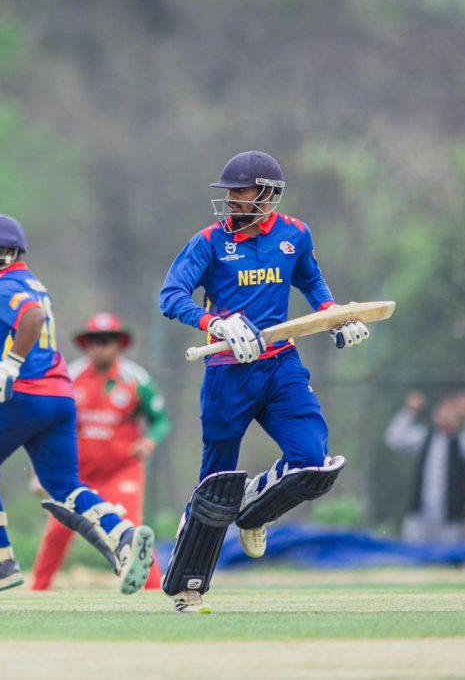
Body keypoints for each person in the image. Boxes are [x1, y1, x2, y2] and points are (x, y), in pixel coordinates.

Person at [158, 151, 368, 613]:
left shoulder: (295, 235)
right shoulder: (209, 242)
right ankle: (189, 586)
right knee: (216, 484)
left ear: (268, 194)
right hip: (226, 373)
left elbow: (312, 283)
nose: (231, 199)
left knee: (313, 462)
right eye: (229, 191)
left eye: (241, 191)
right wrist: (214, 322)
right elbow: (170, 296)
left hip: (280, 366)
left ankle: (254, 511)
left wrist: (335, 315)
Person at [0, 213, 155, 596]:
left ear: (7, 250)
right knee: (64, 485)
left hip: (24, 396)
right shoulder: (33, 282)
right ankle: (123, 535)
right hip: (59, 397)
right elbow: (33, 342)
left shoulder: (2, 284)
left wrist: (9, 367)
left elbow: (31, 319)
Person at [30, 312, 171, 591]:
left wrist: (148, 442)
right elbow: (50, 426)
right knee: (57, 531)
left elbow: (161, 420)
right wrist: (43, 472)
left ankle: (155, 590)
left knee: (131, 529)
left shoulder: (135, 379)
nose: (100, 347)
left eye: (106, 341)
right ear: (86, 345)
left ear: (118, 344)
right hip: (78, 475)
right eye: (94, 341)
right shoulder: (70, 377)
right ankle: (37, 591)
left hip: (122, 470)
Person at [384, 391, 465, 544]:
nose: (446, 414)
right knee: (414, 550)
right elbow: (394, 438)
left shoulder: (460, 443)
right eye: (442, 409)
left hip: (450, 517)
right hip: (420, 515)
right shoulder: (423, 438)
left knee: (447, 554)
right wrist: (409, 411)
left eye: (451, 411)